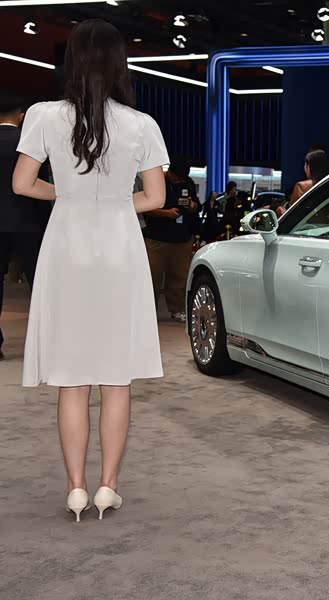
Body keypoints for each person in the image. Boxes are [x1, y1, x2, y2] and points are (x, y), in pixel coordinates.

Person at [12, 19, 169, 522]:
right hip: (120, 251)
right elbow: (156, 197)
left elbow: (22, 184)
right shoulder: (141, 124)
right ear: (120, 63)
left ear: (72, 62)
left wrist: (65, 193)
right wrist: (115, 203)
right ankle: (107, 487)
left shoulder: (43, 115)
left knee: (72, 377)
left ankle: (76, 488)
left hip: (67, 248)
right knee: (116, 379)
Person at [0, 93, 45, 361]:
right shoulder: (28, 143)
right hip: (28, 222)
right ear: (21, 116)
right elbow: (39, 182)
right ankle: (44, 344)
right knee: (39, 283)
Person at [143, 157, 198, 323]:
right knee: (152, 277)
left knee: (180, 278)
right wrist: (166, 213)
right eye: (177, 178)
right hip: (156, 239)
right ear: (170, 172)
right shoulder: (157, 182)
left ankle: (178, 310)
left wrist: (192, 206)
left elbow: (197, 205)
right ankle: (148, 311)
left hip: (182, 239)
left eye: (182, 179)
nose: (179, 181)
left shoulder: (188, 182)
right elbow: (146, 208)